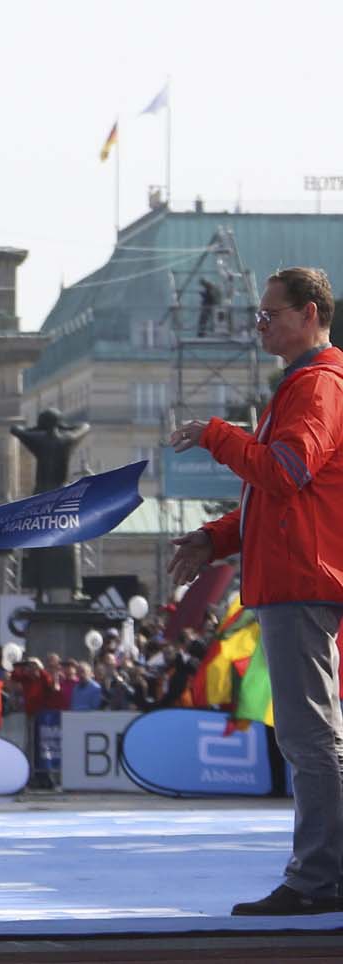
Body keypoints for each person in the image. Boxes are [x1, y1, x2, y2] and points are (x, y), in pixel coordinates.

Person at [167, 267, 343, 916]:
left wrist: (218, 435)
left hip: (302, 582)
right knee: (309, 734)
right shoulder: (305, 384)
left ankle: (319, 877)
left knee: (309, 736)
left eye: (270, 314)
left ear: (310, 313)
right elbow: (277, 495)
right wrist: (215, 538)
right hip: (296, 578)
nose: (260, 323)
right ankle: (324, 872)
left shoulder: (318, 386)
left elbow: (286, 472)